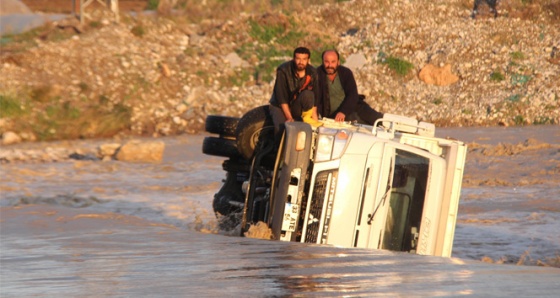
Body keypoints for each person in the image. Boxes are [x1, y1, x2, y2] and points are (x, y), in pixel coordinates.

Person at [317, 49, 384, 125]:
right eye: (326, 62)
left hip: (352, 107)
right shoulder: (317, 74)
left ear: (338, 62)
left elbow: (352, 95)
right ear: (322, 62)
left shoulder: (346, 73)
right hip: (334, 116)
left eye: (333, 62)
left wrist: (343, 112)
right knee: (360, 125)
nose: (330, 65)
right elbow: (315, 99)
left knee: (378, 119)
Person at [269, 47, 322, 133]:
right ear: (294, 59)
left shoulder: (313, 72)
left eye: (304, 59)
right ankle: (276, 146)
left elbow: (314, 99)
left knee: (308, 94)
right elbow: (281, 97)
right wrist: (289, 118)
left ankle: (307, 119)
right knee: (282, 129)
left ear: (308, 60)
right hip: (279, 105)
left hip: (296, 105)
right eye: (298, 59)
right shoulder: (283, 70)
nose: (301, 62)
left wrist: (315, 120)